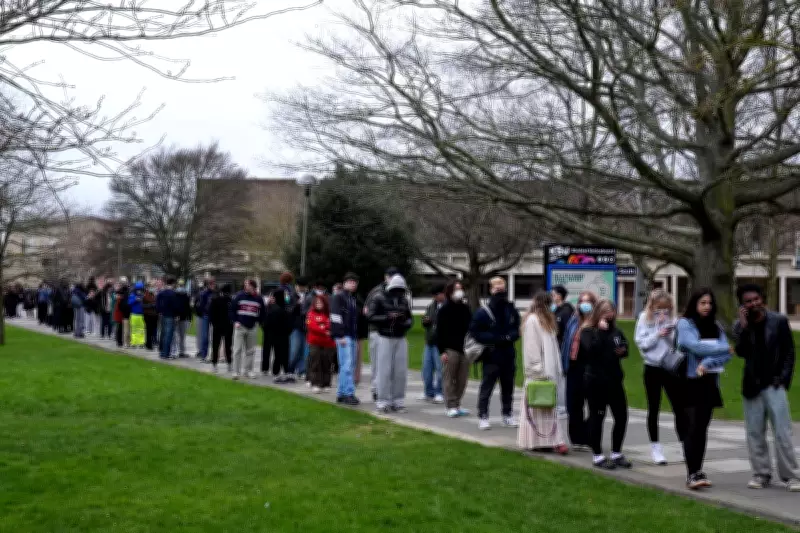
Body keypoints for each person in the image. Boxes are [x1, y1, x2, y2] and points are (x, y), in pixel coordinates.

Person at [733, 284, 800, 491]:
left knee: (782, 432)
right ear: (742, 305)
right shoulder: (740, 326)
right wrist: (745, 327)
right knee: (754, 432)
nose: (753, 303)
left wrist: (783, 379)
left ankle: (791, 475)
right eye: (748, 301)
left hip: (774, 384)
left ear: (762, 298)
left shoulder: (778, 321)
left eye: (756, 299)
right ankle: (761, 474)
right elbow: (741, 352)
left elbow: (789, 352)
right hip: (752, 385)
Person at [676, 288, 732, 490]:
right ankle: (691, 473)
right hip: (689, 381)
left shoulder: (716, 326)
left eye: (709, 303)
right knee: (691, 428)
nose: (707, 306)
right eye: (703, 303)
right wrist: (722, 347)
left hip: (708, 381)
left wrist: (707, 363)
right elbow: (693, 346)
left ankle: (698, 470)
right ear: (694, 304)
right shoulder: (685, 324)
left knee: (702, 428)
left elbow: (726, 356)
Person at [634, 289, 687, 466]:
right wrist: (657, 333)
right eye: (659, 309)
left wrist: (669, 332)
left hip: (670, 368)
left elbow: (678, 345)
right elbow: (642, 344)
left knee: (679, 407)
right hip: (652, 367)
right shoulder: (644, 318)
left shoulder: (674, 320)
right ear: (652, 307)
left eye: (666, 309)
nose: (662, 313)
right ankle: (656, 447)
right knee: (654, 408)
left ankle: (684, 444)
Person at [578, 299, 631, 470]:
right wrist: (601, 332)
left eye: (611, 311)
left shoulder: (616, 331)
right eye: (605, 311)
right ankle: (598, 455)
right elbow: (591, 351)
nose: (609, 314)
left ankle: (616, 452)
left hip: (614, 380)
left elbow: (624, 346)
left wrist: (623, 350)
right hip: (596, 381)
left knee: (621, 416)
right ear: (598, 313)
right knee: (597, 417)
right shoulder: (588, 331)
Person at [519, 291, 569, 454]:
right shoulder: (533, 321)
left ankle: (550, 440)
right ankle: (545, 441)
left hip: (549, 373)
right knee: (538, 408)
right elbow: (532, 348)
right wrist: (538, 369)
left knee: (548, 408)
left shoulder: (546, 321)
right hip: (539, 374)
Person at [471, 277, 521, 430]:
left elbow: (517, 328)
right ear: (491, 290)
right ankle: (483, 416)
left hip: (508, 354)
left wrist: (509, 337)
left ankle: (507, 414)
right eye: (497, 288)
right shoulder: (483, 312)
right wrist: (495, 338)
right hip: (491, 355)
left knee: (508, 387)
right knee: (487, 387)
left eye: (502, 288)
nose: (500, 291)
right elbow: (475, 332)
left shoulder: (510, 309)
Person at [368, 274, 414, 413]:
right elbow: (370, 316)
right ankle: (382, 401)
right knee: (384, 371)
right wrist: (387, 317)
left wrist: (404, 323)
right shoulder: (378, 297)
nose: (398, 292)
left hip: (400, 337)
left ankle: (398, 401)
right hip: (384, 336)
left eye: (401, 289)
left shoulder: (404, 301)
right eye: (396, 289)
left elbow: (410, 318)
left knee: (400, 371)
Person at [560, 290, 598, 450]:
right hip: (574, 366)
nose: (584, 304)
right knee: (573, 404)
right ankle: (576, 438)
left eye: (588, 301)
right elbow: (566, 342)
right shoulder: (573, 320)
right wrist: (564, 364)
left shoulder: (597, 322)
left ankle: (589, 435)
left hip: (590, 367)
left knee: (594, 405)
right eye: (582, 301)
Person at [436, 281, 473, 417]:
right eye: (457, 289)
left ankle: (457, 403)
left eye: (461, 288)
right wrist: (442, 351)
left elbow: (471, 327)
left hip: (465, 348)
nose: (460, 291)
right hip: (450, 348)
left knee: (462, 379)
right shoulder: (444, 310)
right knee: (449, 378)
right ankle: (450, 405)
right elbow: (439, 332)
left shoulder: (465, 308)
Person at [365, 267, 401, 401]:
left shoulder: (399, 293)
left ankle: (387, 389)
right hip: (377, 331)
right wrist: (386, 317)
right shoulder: (377, 292)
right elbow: (368, 312)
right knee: (377, 362)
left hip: (392, 333)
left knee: (391, 364)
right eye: (391, 277)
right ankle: (376, 388)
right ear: (386, 277)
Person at [331, 272, 361, 406]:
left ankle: (341, 393)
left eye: (355, 282)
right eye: (350, 282)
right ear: (344, 283)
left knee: (348, 365)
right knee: (347, 365)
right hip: (344, 336)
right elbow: (335, 316)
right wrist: (339, 335)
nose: (353, 284)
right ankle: (349, 393)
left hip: (351, 335)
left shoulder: (351, 299)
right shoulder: (339, 297)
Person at [230, 279, 265, 380]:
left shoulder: (259, 298)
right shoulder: (239, 296)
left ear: (253, 286)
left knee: (250, 350)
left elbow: (263, 312)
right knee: (237, 350)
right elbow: (232, 310)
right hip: (240, 326)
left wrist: (258, 322)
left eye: (248, 285)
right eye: (245, 284)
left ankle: (248, 370)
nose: (246, 286)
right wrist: (235, 321)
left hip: (252, 327)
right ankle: (236, 372)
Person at [420, 284, 446, 404]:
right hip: (429, 341)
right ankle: (428, 392)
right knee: (427, 369)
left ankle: (439, 392)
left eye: (437, 295)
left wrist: (433, 320)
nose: (435, 297)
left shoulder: (447, 306)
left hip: (440, 343)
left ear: (442, 293)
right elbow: (425, 318)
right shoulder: (431, 306)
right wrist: (425, 321)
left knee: (440, 369)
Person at [306, 293, 336, 392]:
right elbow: (312, 326)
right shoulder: (311, 313)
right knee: (315, 362)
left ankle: (326, 384)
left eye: (321, 302)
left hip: (328, 343)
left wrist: (322, 326)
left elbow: (332, 326)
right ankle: (316, 383)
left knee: (327, 363)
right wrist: (324, 329)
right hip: (315, 342)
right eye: (317, 302)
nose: (319, 304)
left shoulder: (330, 314)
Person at [263, 288, 293, 382]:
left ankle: (279, 371)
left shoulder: (275, 309)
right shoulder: (281, 309)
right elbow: (289, 325)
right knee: (283, 354)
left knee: (279, 354)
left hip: (277, 335)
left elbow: (266, 323)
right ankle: (282, 372)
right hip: (281, 335)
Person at [288, 276, 310, 380]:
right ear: (296, 286)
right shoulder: (290, 296)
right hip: (295, 327)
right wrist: (297, 304)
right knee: (294, 350)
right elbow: (288, 310)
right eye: (299, 286)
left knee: (304, 351)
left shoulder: (309, 296)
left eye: (303, 286)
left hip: (307, 327)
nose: (301, 288)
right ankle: (290, 369)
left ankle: (302, 370)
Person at [209, 283, 234, 373]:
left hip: (222, 326)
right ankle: (225, 364)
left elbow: (211, 314)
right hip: (223, 326)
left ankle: (218, 364)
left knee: (220, 346)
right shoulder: (228, 300)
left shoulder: (217, 300)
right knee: (224, 345)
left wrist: (214, 323)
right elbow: (212, 313)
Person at [156, 278, 178, 359]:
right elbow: (175, 306)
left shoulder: (162, 293)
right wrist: (176, 315)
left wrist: (159, 311)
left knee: (163, 334)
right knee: (168, 335)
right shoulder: (173, 294)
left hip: (162, 315)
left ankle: (162, 352)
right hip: (170, 315)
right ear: (173, 283)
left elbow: (157, 303)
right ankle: (166, 353)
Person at [194, 278, 215, 361]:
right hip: (206, 316)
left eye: (213, 284)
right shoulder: (203, 294)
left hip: (212, 316)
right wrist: (203, 313)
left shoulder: (214, 293)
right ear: (208, 285)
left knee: (213, 336)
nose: (213, 286)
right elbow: (201, 306)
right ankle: (204, 354)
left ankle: (211, 354)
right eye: (211, 284)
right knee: (205, 336)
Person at [171, 280, 192, 358]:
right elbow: (174, 306)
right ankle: (174, 352)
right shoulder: (174, 295)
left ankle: (181, 351)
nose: (181, 287)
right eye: (180, 285)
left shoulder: (186, 295)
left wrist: (189, 318)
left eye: (182, 285)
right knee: (176, 335)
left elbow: (188, 308)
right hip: (177, 317)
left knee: (182, 336)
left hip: (183, 317)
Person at [142, 283, 159, 351]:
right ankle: (149, 345)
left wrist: (156, 306)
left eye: (153, 287)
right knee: (148, 330)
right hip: (148, 315)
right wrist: (150, 305)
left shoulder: (155, 295)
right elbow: (142, 306)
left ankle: (150, 343)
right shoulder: (145, 296)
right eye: (151, 287)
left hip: (154, 316)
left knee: (152, 331)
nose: (152, 288)